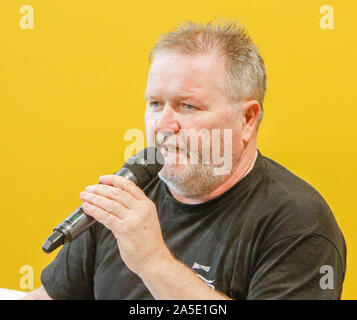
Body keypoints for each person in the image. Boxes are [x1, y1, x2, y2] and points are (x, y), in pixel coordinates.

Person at [24, 20, 346, 300]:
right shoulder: (128, 195)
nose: (163, 125)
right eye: (155, 103)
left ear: (247, 119)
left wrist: (153, 261)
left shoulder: (299, 224)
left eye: (188, 106)